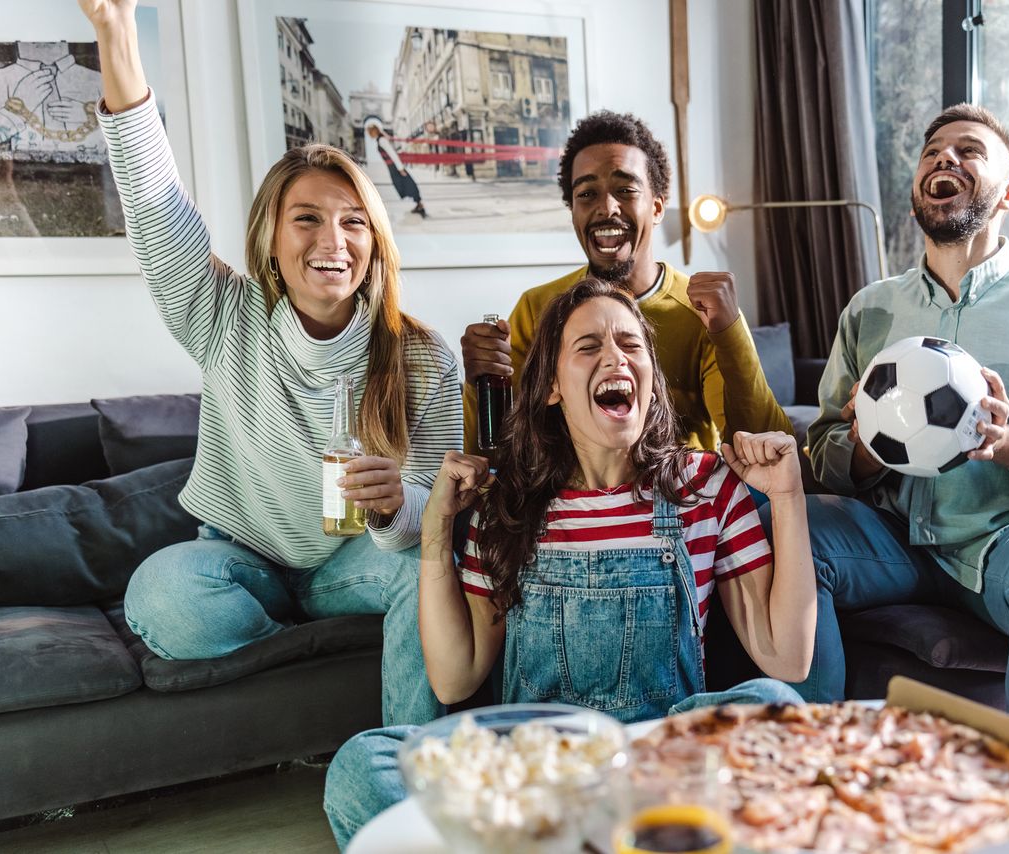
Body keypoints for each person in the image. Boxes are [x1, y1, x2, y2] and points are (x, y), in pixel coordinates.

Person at [322, 278, 816, 849]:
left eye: (632, 345)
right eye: (588, 347)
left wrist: (788, 498)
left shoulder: (706, 487)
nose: (616, 357)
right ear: (553, 387)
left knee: (775, 707)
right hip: (533, 777)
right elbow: (455, 676)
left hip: (656, 768)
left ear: (651, 379)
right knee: (364, 765)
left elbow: (789, 657)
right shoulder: (507, 506)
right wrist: (435, 530)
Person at [78, 0, 461, 727]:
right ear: (273, 241)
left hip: (355, 563)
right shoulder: (224, 313)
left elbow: (436, 515)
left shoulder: (420, 355)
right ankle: (296, 650)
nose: (334, 240)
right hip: (241, 562)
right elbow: (154, 201)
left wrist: (392, 503)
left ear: (376, 242)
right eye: (308, 218)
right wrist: (116, 29)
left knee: (440, 573)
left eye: (354, 222)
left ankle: (410, 756)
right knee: (160, 597)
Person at [804, 103, 1009, 740]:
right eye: (932, 151)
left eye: (969, 151)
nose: (945, 158)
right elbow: (822, 446)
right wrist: (866, 448)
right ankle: (814, 755)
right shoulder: (870, 310)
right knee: (786, 527)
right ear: (915, 196)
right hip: (892, 536)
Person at [460, 110, 791, 456]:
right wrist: (480, 382)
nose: (607, 207)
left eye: (626, 189)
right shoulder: (536, 308)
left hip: (681, 500)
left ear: (658, 207)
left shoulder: (702, 313)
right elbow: (494, 457)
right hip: (569, 506)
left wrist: (730, 333)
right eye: (587, 194)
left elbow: (767, 448)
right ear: (572, 211)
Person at [365, 119, 426, 218]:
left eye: (369, 132)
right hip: (392, 166)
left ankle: (420, 205)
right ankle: (418, 204)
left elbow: (392, 154)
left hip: (395, 166)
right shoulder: (380, 139)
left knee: (406, 183)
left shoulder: (381, 140)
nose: (368, 134)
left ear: (373, 131)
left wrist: (400, 168)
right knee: (404, 184)